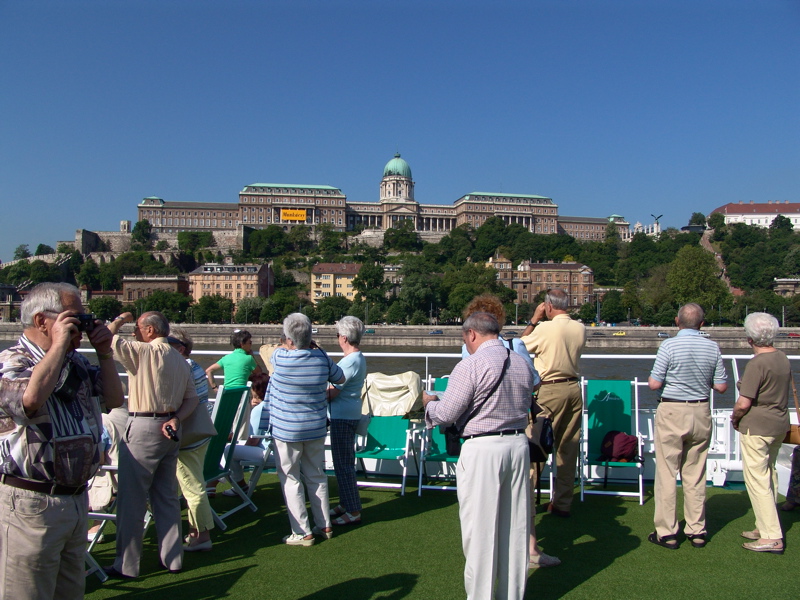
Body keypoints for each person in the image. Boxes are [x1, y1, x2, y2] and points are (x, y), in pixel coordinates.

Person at [0, 282, 123, 600]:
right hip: (31, 502)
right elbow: (29, 402)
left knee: (69, 592)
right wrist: (58, 346)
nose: (82, 326)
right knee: (27, 593)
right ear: (42, 321)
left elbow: (114, 399)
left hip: (76, 499)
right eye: (74, 318)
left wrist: (105, 353)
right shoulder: (11, 362)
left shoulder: (76, 363)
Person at [423, 312, 533, 600]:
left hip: (483, 448)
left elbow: (446, 414)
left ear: (471, 334)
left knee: (480, 531)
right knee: (515, 528)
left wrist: (428, 404)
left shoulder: (469, 365)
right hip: (518, 444)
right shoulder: (521, 362)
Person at [459, 295, 555, 568]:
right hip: (516, 427)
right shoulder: (516, 345)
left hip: (480, 431)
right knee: (521, 490)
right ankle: (530, 549)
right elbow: (533, 382)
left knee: (483, 497)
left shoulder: (468, 350)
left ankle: (488, 555)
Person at [104, 311, 199, 578]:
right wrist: (177, 419)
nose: (134, 332)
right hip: (170, 428)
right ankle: (173, 559)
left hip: (143, 426)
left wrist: (120, 319)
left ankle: (127, 565)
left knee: (132, 499)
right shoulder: (180, 360)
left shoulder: (141, 352)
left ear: (149, 331)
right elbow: (192, 399)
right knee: (166, 497)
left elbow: (104, 338)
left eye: (137, 327)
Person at [647, 303, 727, 549]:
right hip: (700, 411)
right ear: (702, 324)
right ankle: (697, 530)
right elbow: (721, 386)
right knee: (695, 473)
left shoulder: (669, 346)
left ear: (676, 321)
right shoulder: (712, 347)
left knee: (667, 472)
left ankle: (667, 532)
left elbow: (654, 383)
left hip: (672, 410)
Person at [265, 313, 345, 546]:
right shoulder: (321, 357)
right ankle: (324, 525)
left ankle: (302, 532)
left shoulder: (280, 357)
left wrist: (290, 342)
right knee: (316, 475)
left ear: (289, 339)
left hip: (287, 429)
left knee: (290, 478)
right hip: (315, 427)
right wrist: (316, 348)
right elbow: (339, 378)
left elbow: (273, 350)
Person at [520, 288, 586, 517]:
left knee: (537, 447)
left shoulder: (545, 329)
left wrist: (533, 320)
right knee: (568, 449)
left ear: (548, 306)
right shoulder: (580, 328)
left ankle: (525, 503)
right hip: (573, 389)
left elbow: (518, 348)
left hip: (549, 390)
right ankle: (562, 503)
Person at [731, 313, 789, 554]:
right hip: (778, 424)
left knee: (757, 481)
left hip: (757, 427)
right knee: (769, 474)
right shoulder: (782, 357)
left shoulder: (757, 364)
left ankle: (771, 536)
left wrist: (735, 418)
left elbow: (743, 403)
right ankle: (764, 526)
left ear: (750, 338)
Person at [167, 326, 215, 552]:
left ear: (179, 348)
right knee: (194, 483)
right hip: (199, 432)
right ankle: (196, 531)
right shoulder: (194, 366)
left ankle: (202, 535)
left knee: (192, 487)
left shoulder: (181, 368)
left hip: (187, 435)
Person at [328, 316, 368, 526]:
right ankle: (345, 503)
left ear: (343, 337)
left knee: (343, 464)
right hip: (347, 414)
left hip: (342, 416)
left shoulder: (350, 361)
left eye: (337, 335)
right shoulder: (356, 358)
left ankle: (353, 510)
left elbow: (332, 392)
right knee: (343, 462)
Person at [205, 329, 261, 393]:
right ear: (242, 344)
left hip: (225, 395)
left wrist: (214, 388)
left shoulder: (226, 358)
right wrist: (253, 357)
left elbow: (208, 371)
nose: (251, 345)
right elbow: (259, 373)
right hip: (241, 395)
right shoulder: (248, 358)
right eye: (250, 343)